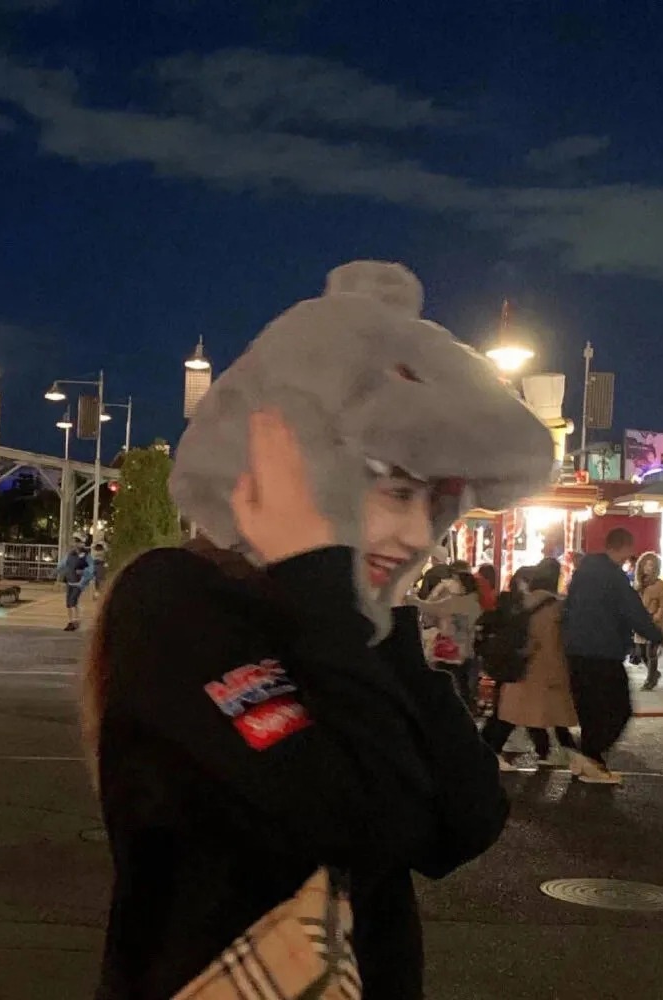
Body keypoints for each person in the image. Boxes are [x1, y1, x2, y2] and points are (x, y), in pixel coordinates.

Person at [86, 262, 555, 998]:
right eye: (394, 492)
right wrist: (316, 572)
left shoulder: (347, 622)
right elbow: (365, 820)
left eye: (433, 506)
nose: (417, 534)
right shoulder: (178, 600)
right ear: (303, 469)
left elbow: (466, 821)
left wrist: (381, 615)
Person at [563, 527, 663, 784]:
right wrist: (655, 635)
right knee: (619, 710)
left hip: (576, 651)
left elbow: (569, 608)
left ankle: (591, 763)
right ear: (624, 547)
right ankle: (588, 755)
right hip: (603, 652)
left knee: (590, 711)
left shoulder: (582, 573)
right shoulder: (613, 577)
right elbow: (632, 611)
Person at [481, 558, 579, 770]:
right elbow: (551, 643)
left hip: (520, 665)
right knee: (530, 715)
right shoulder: (555, 607)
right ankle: (568, 755)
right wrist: (561, 671)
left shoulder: (524, 602)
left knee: (516, 714)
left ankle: (556, 752)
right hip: (540, 669)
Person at [407, 564, 483, 707]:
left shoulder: (455, 602)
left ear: (463, 585)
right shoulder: (474, 601)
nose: (451, 583)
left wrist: (411, 598)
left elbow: (428, 607)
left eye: (455, 580)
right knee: (463, 686)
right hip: (465, 652)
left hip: (450, 652)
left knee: (450, 685)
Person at [633, 552, 663, 691]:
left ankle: (650, 680)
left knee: (651, 652)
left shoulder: (660, 584)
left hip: (654, 623)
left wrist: (656, 617)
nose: (648, 568)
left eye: (651, 565)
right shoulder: (638, 584)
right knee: (640, 652)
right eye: (646, 565)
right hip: (640, 623)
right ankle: (654, 673)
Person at [57, 539, 95, 631]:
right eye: (76, 542)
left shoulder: (86, 556)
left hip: (79, 583)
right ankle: (71, 621)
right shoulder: (70, 555)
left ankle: (75, 622)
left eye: (79, 542)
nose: (77, 544)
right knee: (69, 603)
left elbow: (91, 569)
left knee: (73, 601)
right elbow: (62, 564)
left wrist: (83, 573)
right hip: (70, 581)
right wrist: (56, 571)